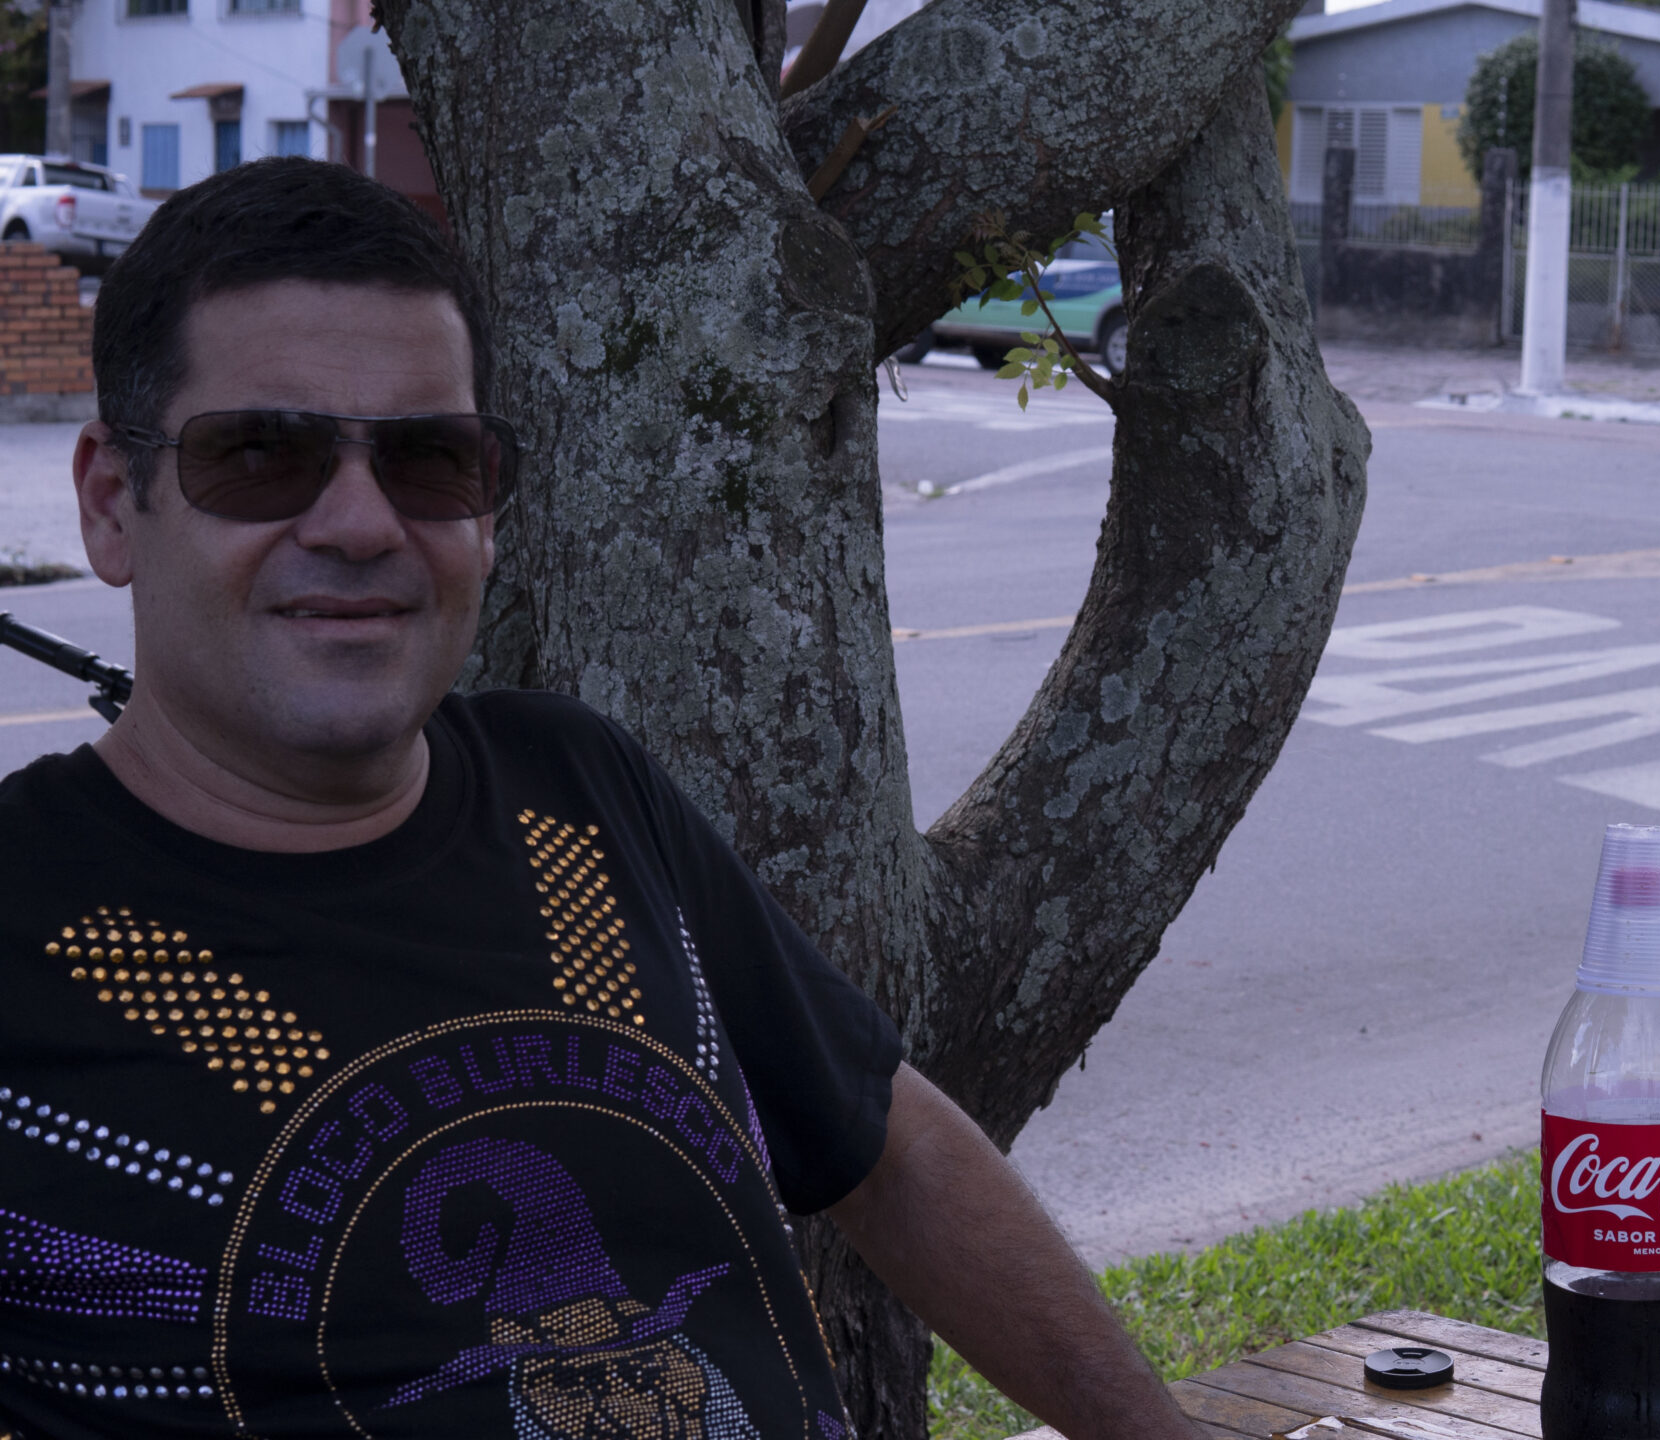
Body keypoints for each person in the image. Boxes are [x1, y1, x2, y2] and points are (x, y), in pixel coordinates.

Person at [0, 157, 1195, 1439]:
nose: (360, 524)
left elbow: (895, 1154)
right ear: (113, 505)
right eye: (260, 455)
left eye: (429, 460)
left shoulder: (579, 786)